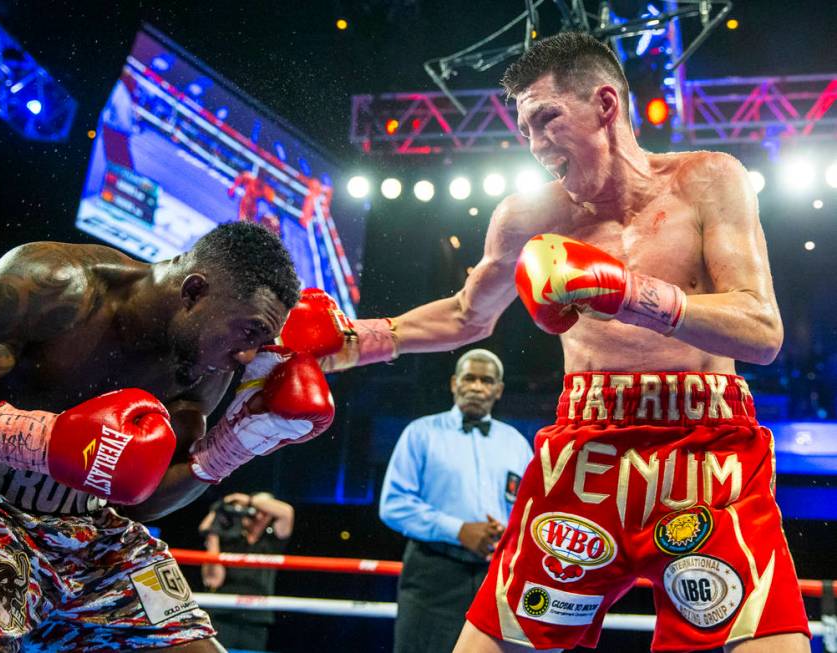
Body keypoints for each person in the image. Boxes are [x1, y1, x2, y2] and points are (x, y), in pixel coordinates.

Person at [279, 32, 810, 653]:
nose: (534, 147)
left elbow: (761, 330)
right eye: (524, 129)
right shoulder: (528, 217)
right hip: (586, 455)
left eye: (546, 119)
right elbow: (466, 315)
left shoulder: (708, 179)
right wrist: (357, 340)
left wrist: (628, 293)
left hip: (708, 449)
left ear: (605, 105)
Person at [0, 222, 336, 652]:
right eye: (248, 332)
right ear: (194, 291)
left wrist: (230, 449)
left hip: (93, 533)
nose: (246, 356)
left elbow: (141, 501)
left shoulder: (204, 368)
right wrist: (40, 438)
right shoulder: (56, 284)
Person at [380, 349, 533, 653]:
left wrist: (508, 533)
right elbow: (394, 504)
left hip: (496, 574)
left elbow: (528, 509)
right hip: (434, 570)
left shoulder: (515, 442)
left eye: (486, 380)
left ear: (498, 389)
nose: (477, 387)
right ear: (454, 383)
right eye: (469, 378)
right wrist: (458, 529)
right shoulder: (421, 433)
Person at [199, 492, 294, 652]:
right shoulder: (229, 539)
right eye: (252, 510)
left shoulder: (272, 542)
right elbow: (213, 580)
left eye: (263, 510)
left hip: (256, 619)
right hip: (222, 614)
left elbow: (287, 512)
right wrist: (221, 509)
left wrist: (249, 500)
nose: (257, 515)